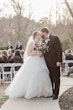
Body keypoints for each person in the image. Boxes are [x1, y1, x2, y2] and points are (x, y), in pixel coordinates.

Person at [5, 31, 52, 99]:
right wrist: (37, 52)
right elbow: (28, 53)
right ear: (36, 35)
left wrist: (41, 53)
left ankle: (41, 91)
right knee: (32, 75)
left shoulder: (40, 42)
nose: (40, 35)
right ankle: (31, 91)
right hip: (33, 61)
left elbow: (42, 51)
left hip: (40, 60)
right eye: (39, 34)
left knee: (41, 74)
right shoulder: (31, 42)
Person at [41, 28, 62, 99]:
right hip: (46, 63)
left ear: (45, 32)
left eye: (42, 33)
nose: (41, 35)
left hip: (55, 62)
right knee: (50, 78)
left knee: (56, 78)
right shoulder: (43, 41)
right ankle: (51, 92)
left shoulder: (55, 38)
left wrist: (59, 60)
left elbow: (59, 50)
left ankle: (56, 94)